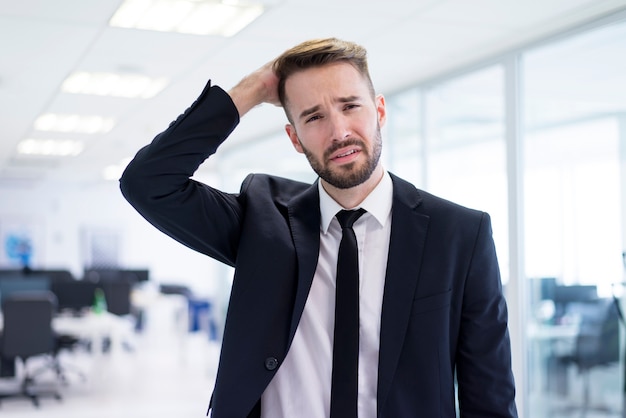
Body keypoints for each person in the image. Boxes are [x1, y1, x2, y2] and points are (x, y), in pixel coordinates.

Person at [120, 38, 518, 418]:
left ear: (379, 111)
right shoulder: (263, 219)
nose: (339, 131)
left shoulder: (461, 235)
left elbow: (489, 398)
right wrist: (252, 91)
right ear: (294, 138)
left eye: (350, 106)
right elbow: (147, 182)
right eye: (314, 116)